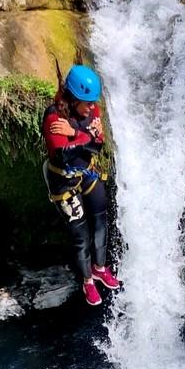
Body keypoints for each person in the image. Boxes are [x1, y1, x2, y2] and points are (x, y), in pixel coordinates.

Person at [43, 64, 121, 307]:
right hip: (62, 180)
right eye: (87, 102)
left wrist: (76, 131)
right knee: (80, 236)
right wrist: (86, 135)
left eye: (92, 102)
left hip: (86, 172)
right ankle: (87, 281)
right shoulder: (54, 116)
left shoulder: (91, 110)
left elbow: (97, 145)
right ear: (74, 98)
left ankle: (99, 268)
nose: (91, 107)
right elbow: (63, 154)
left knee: (100, 221)